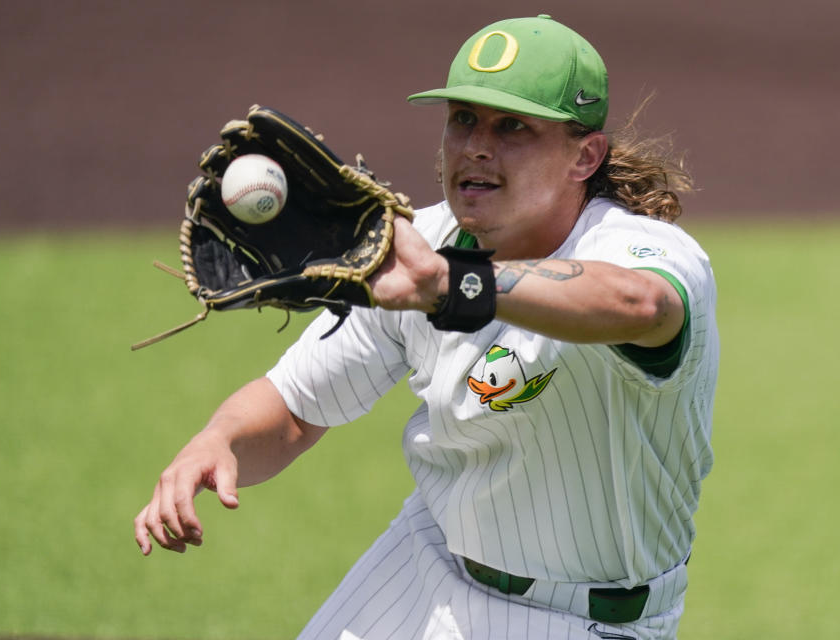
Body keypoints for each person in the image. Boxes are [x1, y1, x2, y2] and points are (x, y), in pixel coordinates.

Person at [134, 15, 719, 640]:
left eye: (512, 126)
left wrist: (452, 285)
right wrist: (216, 442)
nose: (475, 147)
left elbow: (642, 305)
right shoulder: (420, 245)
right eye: (462, 118)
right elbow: (297, 408)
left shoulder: (641, 248)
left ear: (585, 156)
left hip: (582, 618)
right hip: (425, 562)